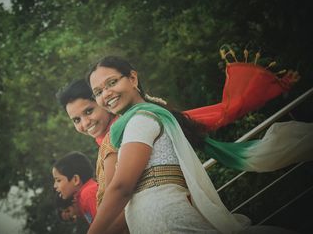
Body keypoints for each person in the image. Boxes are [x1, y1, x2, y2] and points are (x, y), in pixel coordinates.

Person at [86, 55, 302, 234]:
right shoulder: (133, 125)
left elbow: (122, 187)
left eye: (112, 83)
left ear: (133, 78)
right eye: (98, 92)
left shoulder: (140, 120)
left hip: (167, 221)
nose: (106, 94)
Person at [56, 79, 129, 233]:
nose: (85, 123)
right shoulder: (105, 141)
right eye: (76, 120)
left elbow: (121, 194)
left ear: (103, 101)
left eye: (89, 111)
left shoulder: (120, 132)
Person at [52, 151, 98, 225]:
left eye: (58, 180)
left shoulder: (88, 194)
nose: (55, 186)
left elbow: (105, 226)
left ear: (75, 180)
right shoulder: (81, 198)